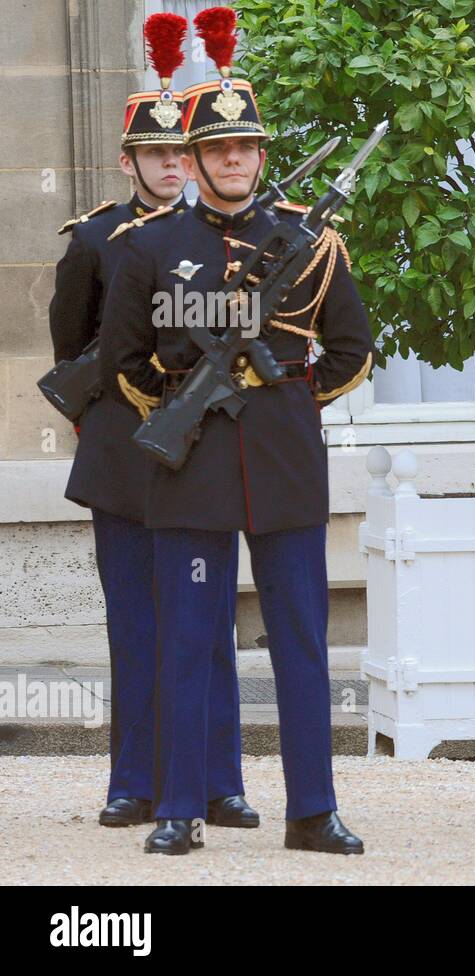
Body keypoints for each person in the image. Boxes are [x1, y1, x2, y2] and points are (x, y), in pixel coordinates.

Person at [99, 6, 372, 856]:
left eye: (245, 147)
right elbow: (124, 360)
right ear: (196, 155)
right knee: (186, 640)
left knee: (300, 643)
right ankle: (180, 805)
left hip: (284, 460)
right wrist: (184, 404)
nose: (232, 159)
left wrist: (283, 392)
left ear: (260, 153)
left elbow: (353, 351)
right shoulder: (149, 246)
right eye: (216, 149)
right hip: (191, 464)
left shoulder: (311, 241)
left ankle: (312, 810)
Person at [48, 12, 256, 832]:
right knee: (137, 625)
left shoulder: (230, 239)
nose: (173, 166)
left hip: (207, 453)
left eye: (183, 153)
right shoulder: (97, 240)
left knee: (207, 627)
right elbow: (76, 350)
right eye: (157, 154)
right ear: (129, 160)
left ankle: (218, 782)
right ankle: (134, 783)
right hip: (126, 454)